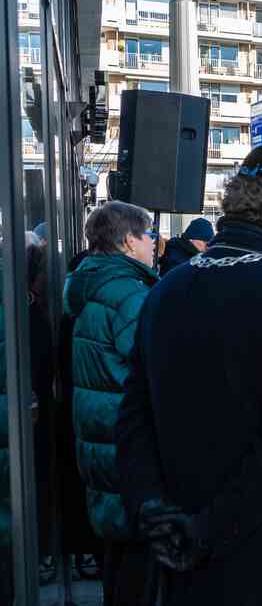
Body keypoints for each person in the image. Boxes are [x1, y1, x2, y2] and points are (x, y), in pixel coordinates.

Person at [116, 144, 262, 605]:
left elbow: (133, 417)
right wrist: (209, 530)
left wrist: (153, 510)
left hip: (185, 546)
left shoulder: (168, 290)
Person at [65, 201, 159, 606]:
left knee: (117, 556)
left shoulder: (90, 284)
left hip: (99, 434)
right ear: (127, 241)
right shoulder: (127, 293)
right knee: (138, 565)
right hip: (125, 437)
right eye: (149, 234)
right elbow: (154, 364)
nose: (155, 242)